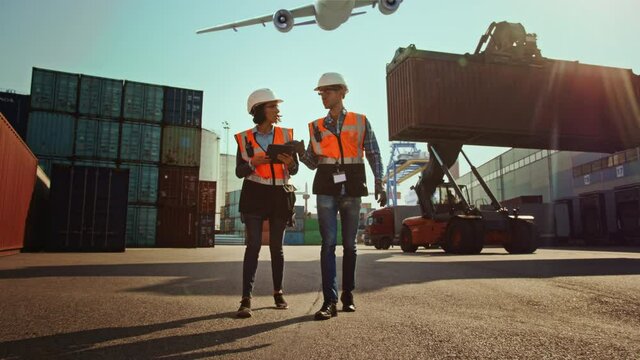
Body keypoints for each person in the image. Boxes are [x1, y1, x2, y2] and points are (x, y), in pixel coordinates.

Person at [295, 72, 387, 320]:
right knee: (328, 245)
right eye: (320, 93)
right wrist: (299, 153)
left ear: (342, 92)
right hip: (326, 186)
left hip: (353, 186)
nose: (322, 96)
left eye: (327, 91)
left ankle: (348, 294)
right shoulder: (316, 126)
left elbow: (374, 154)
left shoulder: (360, 121)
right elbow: (313, 163)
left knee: (349, 245)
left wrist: (380, 182)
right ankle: (329, 301)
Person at [234, 88, 298, 318]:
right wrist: (253, 162)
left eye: (276, 106)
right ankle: (245, 298)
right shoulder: (243, 138)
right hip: (254, 194)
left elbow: (295, 169)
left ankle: (278, 292)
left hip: (279, 194)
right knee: (253, 247)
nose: (277, 110)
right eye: (272, 106)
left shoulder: (286, 135)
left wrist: (290, 163)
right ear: (259, 110)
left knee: (276, 248)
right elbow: (239, 172)